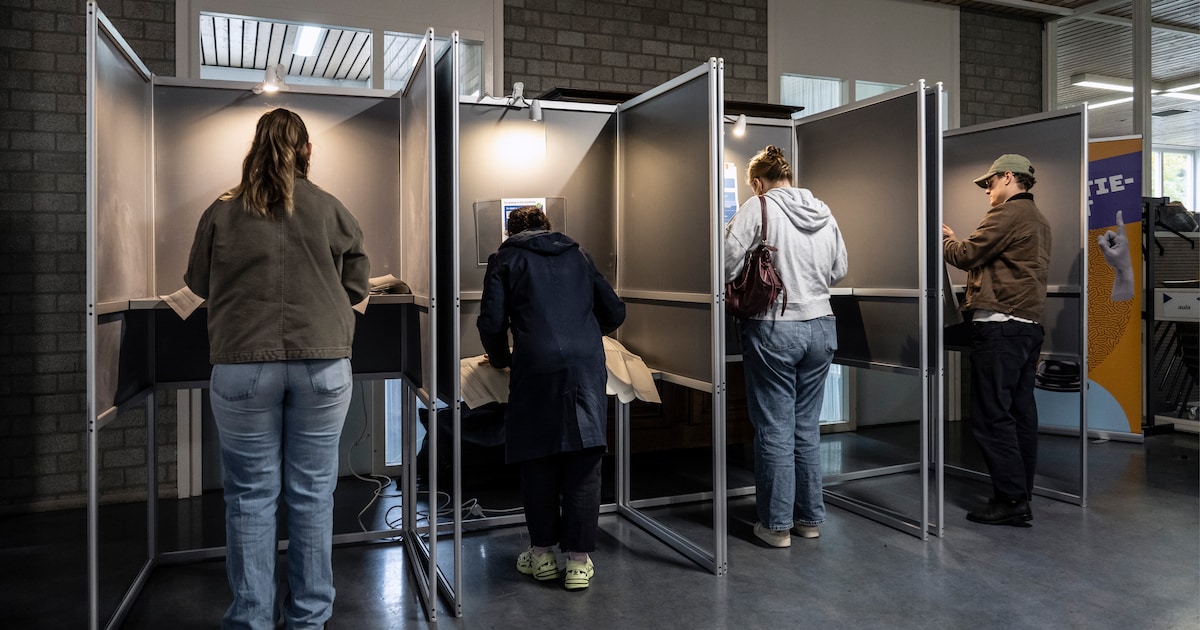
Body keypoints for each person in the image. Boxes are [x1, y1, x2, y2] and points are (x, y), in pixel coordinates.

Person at [186, 108, 370, 628]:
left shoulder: (221, 211)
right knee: (313, 494)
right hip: (323, 364)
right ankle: (310, 618)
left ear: (255, 147)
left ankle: (252, 619)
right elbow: (357, 286)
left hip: (243, 365)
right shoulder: (332, 208)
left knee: (249, 496)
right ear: (307, 151)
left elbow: (198, 283)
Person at [476, 205, 625, 590]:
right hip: (584, 366)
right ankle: (578, 562)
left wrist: (500, 358)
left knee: (537, 455)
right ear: (549, 227)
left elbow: (491, 321)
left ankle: (541, 555)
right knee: (582, 456)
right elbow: (614, 310)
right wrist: (585, 334)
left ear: (510, 231)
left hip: (535, 365)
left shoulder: (505, 258)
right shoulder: (579, 255)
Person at [723, 145, 848, 549]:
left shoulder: (757, 207)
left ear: (758, 182)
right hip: (822, 326)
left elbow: (724, 262)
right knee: (806, 427)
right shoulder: (824, 211)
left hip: (776, 326)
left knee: (775, 427)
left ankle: (776, 526)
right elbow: (839, 268)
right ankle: (809, 519)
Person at [942, 153, 1050, 527]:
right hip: (1027, 327)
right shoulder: (1038, 219)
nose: (987, 189)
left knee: (992, 417)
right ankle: (1020, 492)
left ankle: (1010, 499)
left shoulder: (1008, 213)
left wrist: (947, 241)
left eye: (990, 182)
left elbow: (968, 255)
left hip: (1001, 326)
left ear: (1008, 177)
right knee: (1020, 415)